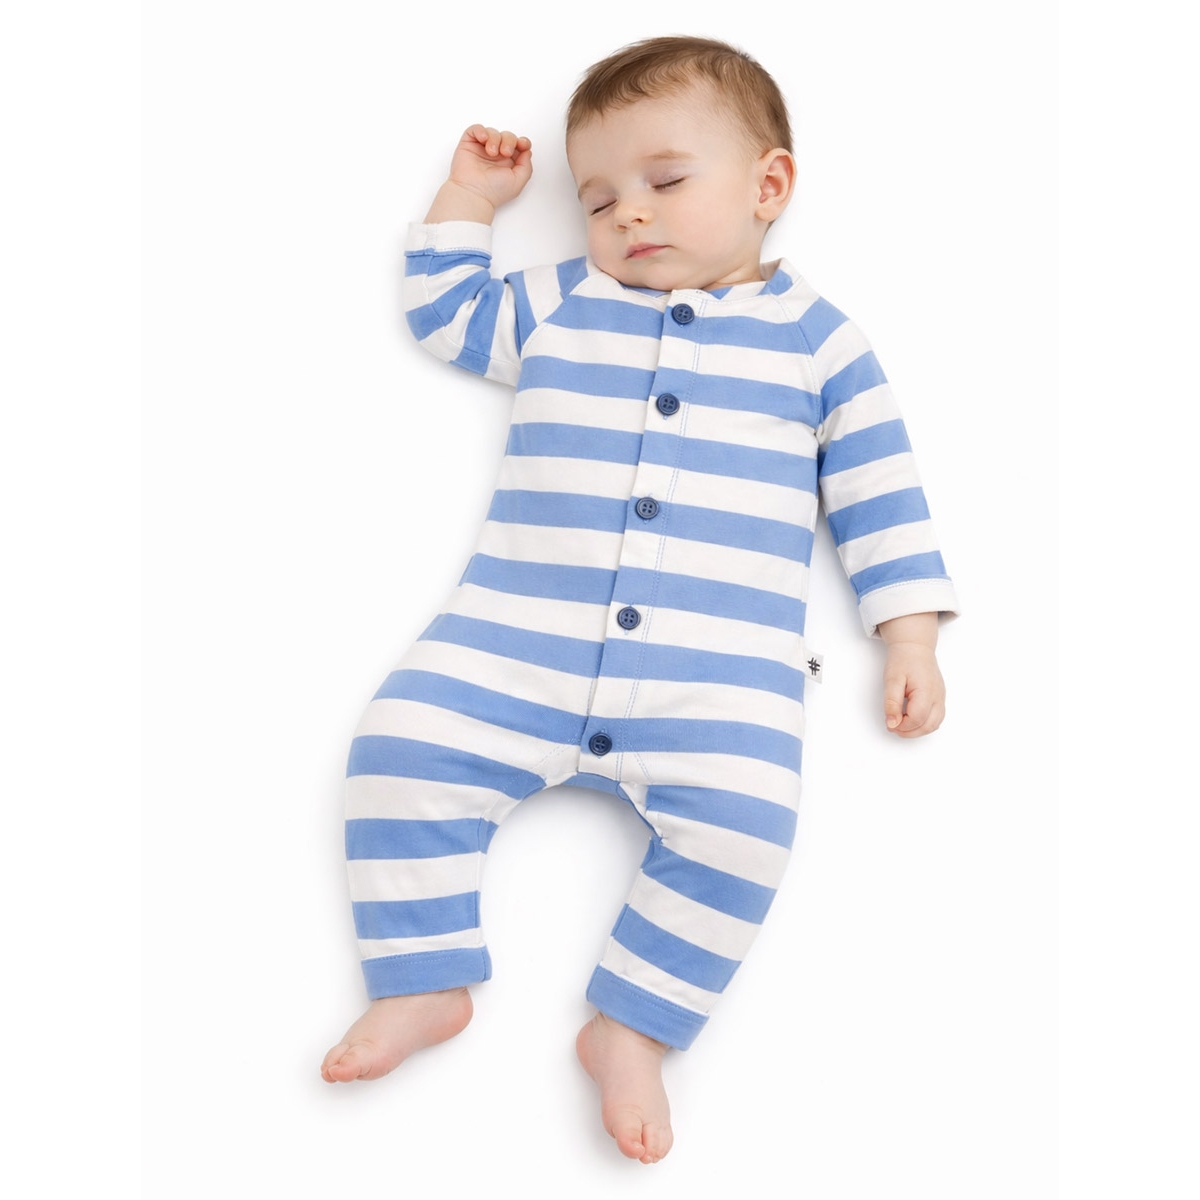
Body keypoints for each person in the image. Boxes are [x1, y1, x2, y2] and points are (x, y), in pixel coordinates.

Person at [320, 36, 959, 1165]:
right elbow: (448, 313)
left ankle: (633, 1026)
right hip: (512, 642)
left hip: (718, 680)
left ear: (768, 184)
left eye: (665, 180)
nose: (628, 214)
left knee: (748, 832)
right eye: (598, 198)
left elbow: (880, 488)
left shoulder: (820, 346)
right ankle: (421, 976)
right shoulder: (569, 302)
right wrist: (470, 199)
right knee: (399, 748)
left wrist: (908, 635)